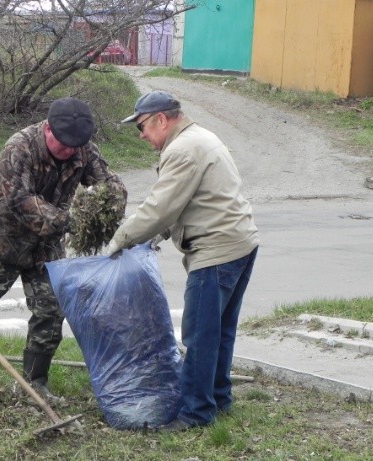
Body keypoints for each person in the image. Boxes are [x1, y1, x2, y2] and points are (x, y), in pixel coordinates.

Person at [0, 97, 127, 400]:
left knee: (50, 309)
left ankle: (35, 381)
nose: (69, 151)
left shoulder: (83, 150)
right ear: (47, 128)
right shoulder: (20, 147)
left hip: (45, 247)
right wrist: (69, 220)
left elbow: (110, 184)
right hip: (1, 241)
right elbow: (19, 200)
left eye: (75, 146)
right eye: (62, 144)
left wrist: (109, 208)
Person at [107, 91, 259, 431]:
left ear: (162, 119)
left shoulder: (182, 149)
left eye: (142, 126)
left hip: (216, 252)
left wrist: (120, 240)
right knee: (220, 332)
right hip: (240, 243)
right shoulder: (200, 137)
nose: (142, 135)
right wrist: (158, 235)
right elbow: (187, 201)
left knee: (199, 335)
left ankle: (195, 412)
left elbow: (159, 208)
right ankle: (219, 398)